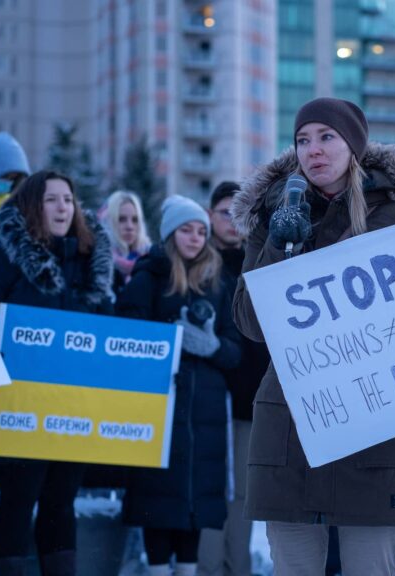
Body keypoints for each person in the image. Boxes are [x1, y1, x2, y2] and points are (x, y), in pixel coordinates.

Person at [231, 97, 395, 575]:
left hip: (376, 427)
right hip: (291, 428)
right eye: (303, 139)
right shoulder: (270, 219)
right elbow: (250, 323)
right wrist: (282, 247)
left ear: (353, 147)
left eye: (327, 137)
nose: (313, 150)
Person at [0, 170, 113, 576]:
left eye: (67, 199)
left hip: (73, 412)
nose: (62, 207)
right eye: (51, 199)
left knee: (61, 501)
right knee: (20, 497)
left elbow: (108, 334)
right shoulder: (1, 259)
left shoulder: (92, 266)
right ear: (32, 205)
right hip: (17, 410)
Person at [117, 195, 242, 576]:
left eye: (201, 231)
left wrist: (212, 346)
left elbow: (236, 353)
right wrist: (165, 341)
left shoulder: (219, 282)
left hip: (204, 416)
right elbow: (124, 340)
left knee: (193, 505)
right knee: (158, 502)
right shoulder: (148, 278)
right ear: (171, 234)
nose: (195, 238)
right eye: (187, 230)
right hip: (159, 409)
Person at [197, 182, 271, 576]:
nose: (229, 221)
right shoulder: (194, 261)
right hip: (206, 400)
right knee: (210, 491)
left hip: (249, 399)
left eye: (236, 213)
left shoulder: (259, 260)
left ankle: (238, 568)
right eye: (222, 212)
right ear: (209, 215)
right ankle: (208, 569)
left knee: (243, 495)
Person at [102, 190, 152, 295]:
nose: (130, 227)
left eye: (135, 220)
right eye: (121, 219)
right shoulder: (98, 264)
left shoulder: (150, 260)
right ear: (109, 222)